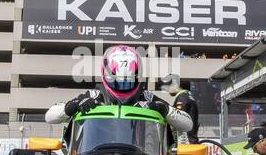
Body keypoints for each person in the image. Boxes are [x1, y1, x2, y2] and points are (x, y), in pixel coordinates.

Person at [45, 45, 193, 137]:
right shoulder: (92, 96)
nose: (123, 86)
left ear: (138, 77)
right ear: (106, 75)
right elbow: (49, 116)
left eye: (128, 81)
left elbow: (187, 124)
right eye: (118, 81)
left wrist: (164, 109)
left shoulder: (147, 98)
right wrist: (72, 106)